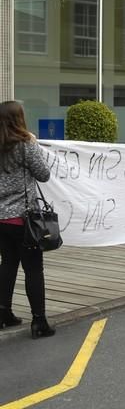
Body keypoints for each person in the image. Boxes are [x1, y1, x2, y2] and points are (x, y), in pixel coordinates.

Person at [0, 101, 55, 338]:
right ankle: (39, 321)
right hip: (23, 220)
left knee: (7, 264)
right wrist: (33, 143)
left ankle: (4, 314)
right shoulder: (25, 144)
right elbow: (43, 175)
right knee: (33, 269)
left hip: (1, 219)